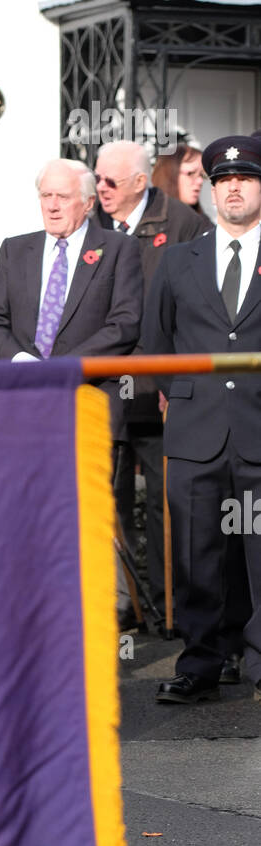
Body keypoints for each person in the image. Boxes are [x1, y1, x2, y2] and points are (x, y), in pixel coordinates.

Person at [142, 135, 261, 704]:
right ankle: (200, 665)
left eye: (245, 179)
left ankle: (258, 664)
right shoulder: (178, 257)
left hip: (260, 429)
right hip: (196, 433)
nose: (232, 188)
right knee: (196, 556)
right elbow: (155, 342)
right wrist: (182, 396)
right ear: (212, 191)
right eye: (223, 181)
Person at [94, 140, 208, 627]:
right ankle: (121, 605)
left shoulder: (184, 223)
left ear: (140, 182)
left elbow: (198, 305)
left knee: (166, 504)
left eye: (110, 181)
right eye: (97, 178)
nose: (100, 188)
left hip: (160, 389)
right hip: (105, 388)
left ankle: (170, 605)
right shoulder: (91, 223)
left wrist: (174, 372)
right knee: (108, 501)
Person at [0, 158, 142, 381]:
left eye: (63, 197)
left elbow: (125, 324)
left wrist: (64, 368)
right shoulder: (14, 250)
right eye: (46, 196)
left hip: (89, 388)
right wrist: (21, 360)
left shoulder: (119, 248)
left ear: (88, 203)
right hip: (22, 387)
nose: (52, 206)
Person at [151, 143, 213, 228]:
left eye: (202, 175)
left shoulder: (203, 225)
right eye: (190, 173)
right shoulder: (144, 221)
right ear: (169, 174)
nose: (200, 181)